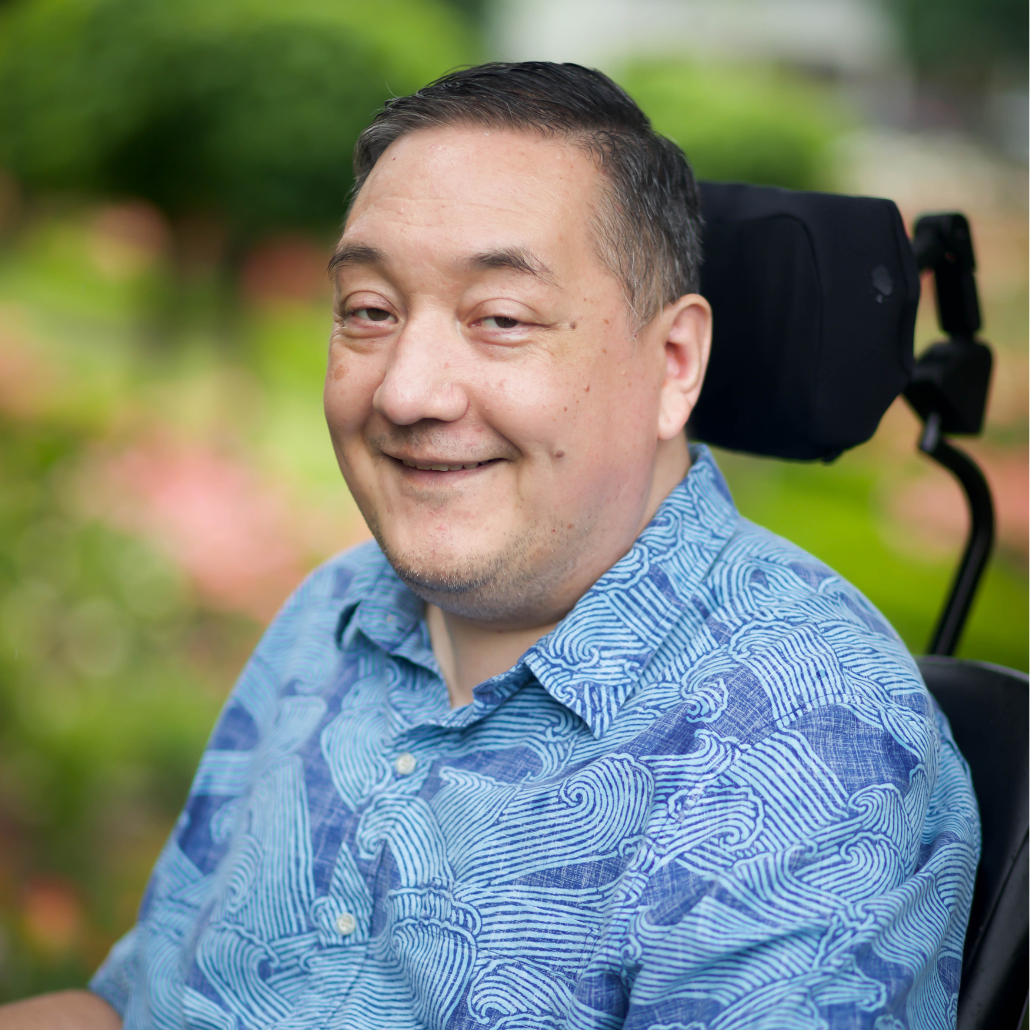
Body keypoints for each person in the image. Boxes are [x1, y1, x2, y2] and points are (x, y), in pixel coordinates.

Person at [1, 62, 978, 1030]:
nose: (404, 392)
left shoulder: (800, 739)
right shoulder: (336, 611)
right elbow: (133, 1007)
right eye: (370, 312)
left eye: (499, 319)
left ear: (673, 362)